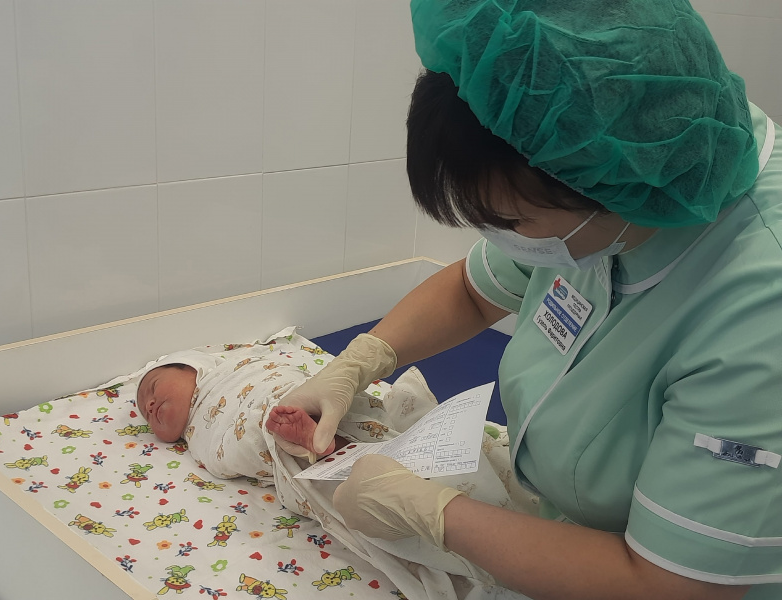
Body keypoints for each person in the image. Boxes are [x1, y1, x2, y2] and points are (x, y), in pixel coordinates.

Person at [276, 1, 782, 599]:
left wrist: (431, 513)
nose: (504, 241)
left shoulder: (756, 315)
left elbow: (670, 584)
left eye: (514, 222)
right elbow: (471, 291)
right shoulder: (631, 150)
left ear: (605, 196)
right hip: (567, 521)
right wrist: (361, 361)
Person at [135, 349, 345, 482]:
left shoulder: (228, 373)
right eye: (146, 414)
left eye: (153, 387)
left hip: (267, 391)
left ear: (192, 368)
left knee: (283, 397)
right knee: (234, 446)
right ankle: (309, 440)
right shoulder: (197, 437)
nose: (150, 405)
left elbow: (266, 373)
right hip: (255, 430)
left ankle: (301, 422)